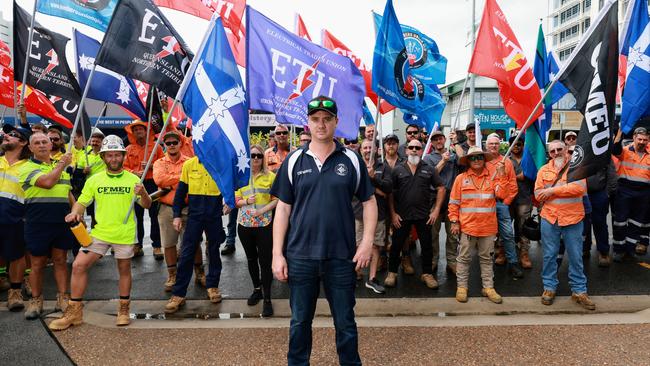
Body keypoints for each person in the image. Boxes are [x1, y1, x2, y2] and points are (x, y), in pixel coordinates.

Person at [271, 96, 376, 365]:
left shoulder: (351, 159)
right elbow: (282, 209)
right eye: (316, 119)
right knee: (299, 323)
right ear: (308, 123)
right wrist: (277, 254)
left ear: (336, 122)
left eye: (327, 119)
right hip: (301, 256)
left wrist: (366, 244)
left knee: (345, 323)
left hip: (340, 257)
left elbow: (369, 201)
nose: (321, 124)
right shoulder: (294, 160)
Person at [49, 135, 152, 330]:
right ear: (103, 157)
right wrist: (74, 213)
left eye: (117, 155)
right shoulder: (95, 180)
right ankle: (74, 313)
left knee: (124, 270)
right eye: (109, 155)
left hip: (124, 233)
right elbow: (81, 202)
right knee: (79, 265)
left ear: (123, 156)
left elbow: (146, 205)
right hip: (99, 233)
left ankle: (123, 309)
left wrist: (143, 193)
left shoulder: (133, 179)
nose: (113, 159)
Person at [534, 140, 594, 310]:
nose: (556, 152)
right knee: (549, 255)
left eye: (560, 149)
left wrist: (552, 190)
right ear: (549, 153)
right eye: (552, 151)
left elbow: (579, 189)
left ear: (567, 149)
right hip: (550, 218)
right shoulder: (543, 170)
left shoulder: (577, 168)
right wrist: (564, 188)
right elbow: (538, 194)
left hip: (573, 218)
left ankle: (579, 291)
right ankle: (549, 288)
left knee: (576, 256)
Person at [20, 133, 74, 319]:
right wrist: (61, 164)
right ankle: (36, 300)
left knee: (61, 260)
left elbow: (68, 192)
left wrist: (76, 210)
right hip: (37, 222)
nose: (42, 145)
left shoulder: (61, 167)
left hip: (61, 220)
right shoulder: (27, 167)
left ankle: (63, 298)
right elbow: (48, 183)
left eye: (45, 142)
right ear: (30, 147)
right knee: (37, 263)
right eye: (37, 143)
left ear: (51, 144)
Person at [164, 156, 227, 313]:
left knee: (213, 251)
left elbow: (230, 187)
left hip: (214, 215)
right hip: (195, 216)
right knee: (186, 254)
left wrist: (230, 202)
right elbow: (180, 192)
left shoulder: (221, 162)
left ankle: (213, 287)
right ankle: (178, 294)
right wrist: (177, 215)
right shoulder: (189, 165)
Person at [449, 146, 508, 304]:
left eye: (480, 157)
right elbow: (454, 203)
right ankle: (462, 287)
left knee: (487, 259)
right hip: (468, 227)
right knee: (463, 259)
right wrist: (454, 221)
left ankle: (488, 287)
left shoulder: (493, 177)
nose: (477, 160)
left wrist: (502, 175)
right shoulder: (460, 179)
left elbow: (502, 195)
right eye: (473, 158)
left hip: (488, 228)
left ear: (484, 160)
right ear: (468, 161)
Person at [386, 139, 445, 289]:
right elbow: (391, 193)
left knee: (427, 246)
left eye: (417, 148)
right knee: (396, 245)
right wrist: (392, 213)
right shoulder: (398, 169)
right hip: (402, 215)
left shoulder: (429, 169)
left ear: (421, 150)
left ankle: (427, 274)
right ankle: (392, 273)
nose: (414, 150)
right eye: (411, 147)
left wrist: (436, 210)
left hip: (423, 215)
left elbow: (441, 188)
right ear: (406, 150)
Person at [153, 131, 204, 292]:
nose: (172, 145)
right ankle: (172, 275)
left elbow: (195, 179)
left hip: (189, 208)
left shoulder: (190, 162)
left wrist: (170, 180)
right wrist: (182, 176)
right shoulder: (159, 163)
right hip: (166, 209)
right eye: (168, 143)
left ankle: (199, 272)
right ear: (164, 145)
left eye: (175, 142)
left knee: (193, 242)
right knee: (168, 243)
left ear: (181, 143)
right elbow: (159, 180)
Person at [235, 145, 278, 317]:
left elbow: (277, 199)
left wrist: (261, 211)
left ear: (263, 158)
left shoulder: (271, 176)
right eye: (252, 156)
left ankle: (267, 298)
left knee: (265, 262)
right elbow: (235, 200)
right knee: (251, 259)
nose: (255, 159)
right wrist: (245, 201)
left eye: (259, 156)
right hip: (245, 225)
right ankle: (256, 289)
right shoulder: (240, 176)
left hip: (265, 225)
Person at [355, 139, 392, 294]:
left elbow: (388, 188)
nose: (368, 150)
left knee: (375, 246)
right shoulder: (355, 166)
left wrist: (373, 178)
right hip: (357, 213)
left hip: (379, 214)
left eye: (371, 147)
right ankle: (356, 274)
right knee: (357, 245)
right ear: (360, 150)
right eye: (365, 147)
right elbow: (351, 188)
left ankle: (372, 278)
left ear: (377, 150)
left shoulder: (384, 167)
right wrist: (377, 191)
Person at [0, 124, 31, 311]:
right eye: (7, 133)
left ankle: (15, 292)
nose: (6, 136)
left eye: (12, 135)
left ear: (23, 142)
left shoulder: (29, 167)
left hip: (16, 218)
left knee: (17, 256)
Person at [423, 130, 462, 275]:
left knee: (452, 234)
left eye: (440, 139)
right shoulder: (427, 158)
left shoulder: (453, 154)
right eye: (435, 140)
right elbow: (430, 175)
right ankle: (433, 260)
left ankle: (451, 261)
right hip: (435, 200)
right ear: (431, 142)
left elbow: (463, 158)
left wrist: (456, 142)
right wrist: (443, 161)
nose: (438, 142)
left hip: (453, 200)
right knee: (433, 233)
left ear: (445, 139)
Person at [485, 134, 524, 278]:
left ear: (499, 145)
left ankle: (513, 263)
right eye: (491, 144)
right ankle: (486, 266)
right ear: (486, 145)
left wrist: (505, 202)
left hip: (501, 204)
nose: (494, 146)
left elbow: (513, 186)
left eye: (496, 143)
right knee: (486, 236)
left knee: (508, 234)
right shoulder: (481, 161)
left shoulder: (506, 162)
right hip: (485, 204)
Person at [124, 120, 163, 259]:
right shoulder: (128, 149)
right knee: (137, 217)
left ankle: (157, 246)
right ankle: (137, 245)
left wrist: (152, 166)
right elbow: (124, 167)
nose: (138, 131)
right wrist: (133, 172)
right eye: (135, 130)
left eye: (141, 129)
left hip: (153, 183)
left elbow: (164, 164)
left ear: (146, 131)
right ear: (133, 133)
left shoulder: (156, 146)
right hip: (136, 184)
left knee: (155, 216)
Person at [611, 127, 650, 261]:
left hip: (643, 193)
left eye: (645, 140)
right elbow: (615, 149)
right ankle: (618, 250)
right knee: (620, 222)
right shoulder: (625, 151)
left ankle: (630, 249)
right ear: (634, 138)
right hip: (625, 191)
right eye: (639, 139)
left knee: (636, 224)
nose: (642, 142)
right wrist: (620, 132)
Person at [383, 133, 415, 274]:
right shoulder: (378, 162)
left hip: (401, 204)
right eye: (388, 143)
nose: (391, 145)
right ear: (384, 145)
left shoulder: (405, 162)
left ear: (398, 145)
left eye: (394, 143)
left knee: (404, 235)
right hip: (382, 205)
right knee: (383, 233)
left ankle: (406, 259)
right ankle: (383, 258)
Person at [507, 135, 535, 269]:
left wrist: (526, 176)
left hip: (524, 198)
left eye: (519, 144)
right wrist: (520, 176)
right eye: (513, 144)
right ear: (509, 146)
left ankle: (524, 254)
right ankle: (502, 252)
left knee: (524, 228)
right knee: (505, 228)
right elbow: (503, 178)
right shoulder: (505, 160)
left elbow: (534, 175)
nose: (516, 147)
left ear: (523, 145)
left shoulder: (529, 159)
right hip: (508, 199)